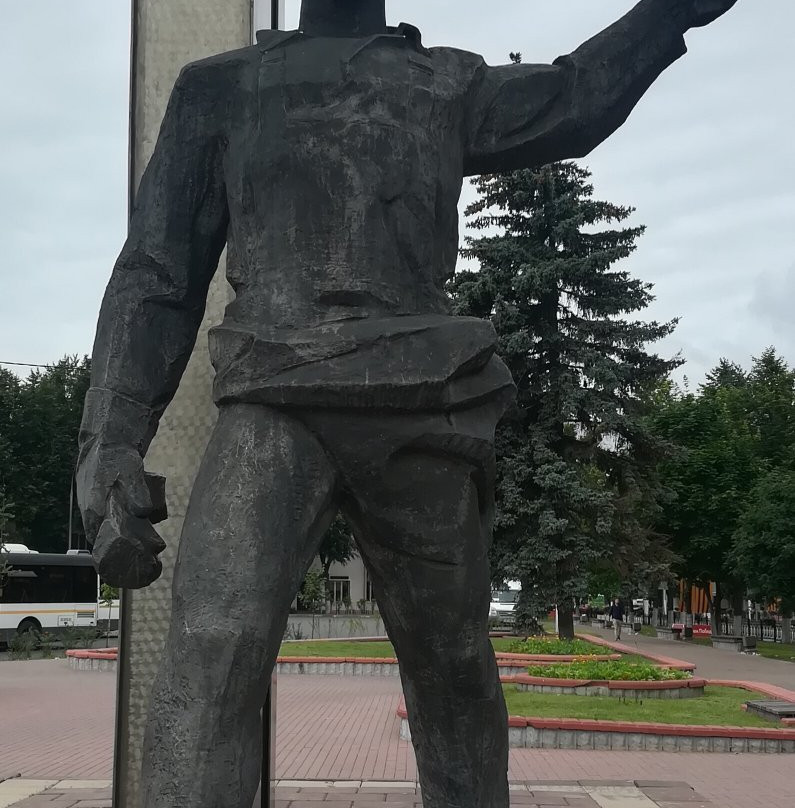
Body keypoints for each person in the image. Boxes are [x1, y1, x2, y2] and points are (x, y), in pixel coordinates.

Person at [75, 1, 739, 806]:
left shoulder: (446, 80)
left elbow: (569, 100)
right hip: (273, 401)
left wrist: (667, 12)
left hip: (425, 401)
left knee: (452, 664)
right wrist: (110, 437)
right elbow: (158, 269)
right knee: (212, 648)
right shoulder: (222, 86)